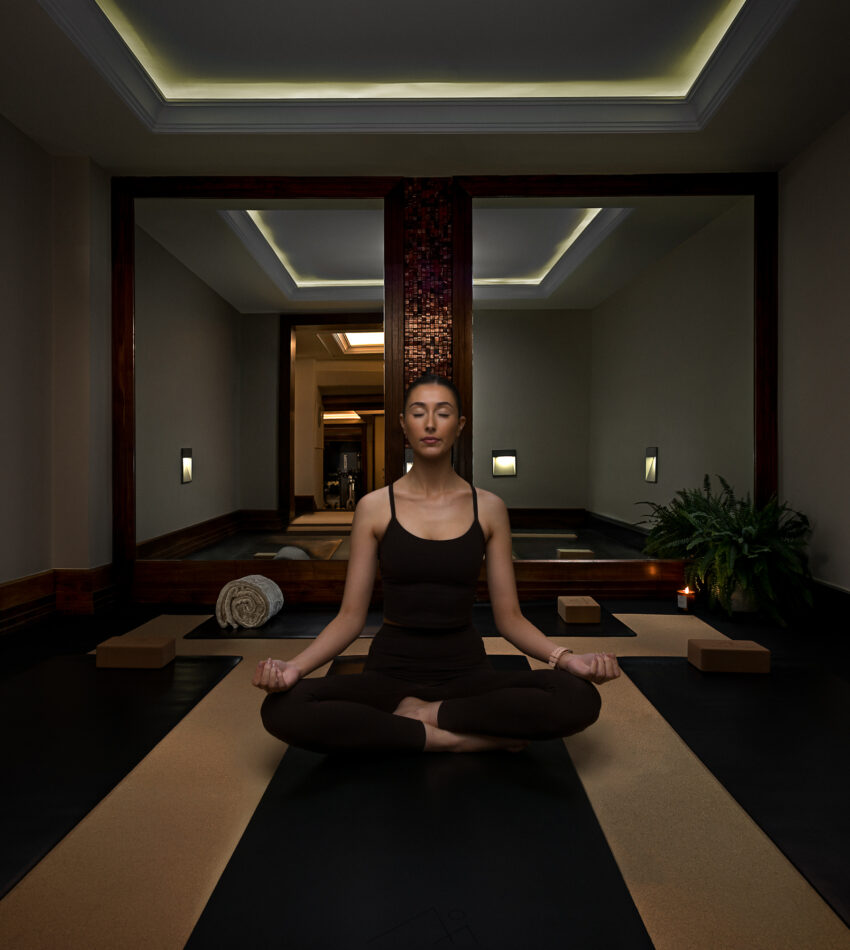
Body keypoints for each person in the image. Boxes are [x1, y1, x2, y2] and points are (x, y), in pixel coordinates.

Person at [254, 373, 620, 754]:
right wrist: (295, 667)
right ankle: (452, 739)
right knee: (283, 707)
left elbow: (510, 618)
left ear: (459, 426)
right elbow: (350, 618)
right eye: (418, 413)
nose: (430, 423)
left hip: (465, 670)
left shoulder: (489, 508)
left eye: (442, 413)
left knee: (577, 696)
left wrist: (568, 660)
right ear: (403, 425)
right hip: (390, 671)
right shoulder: (374, 507)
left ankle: (424, 717)